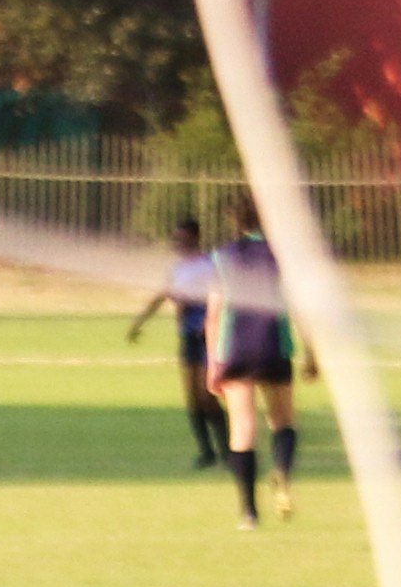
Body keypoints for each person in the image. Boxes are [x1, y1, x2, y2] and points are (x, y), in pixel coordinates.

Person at [211, 209, 303, 524]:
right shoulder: (283, 255)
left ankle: (249, 512)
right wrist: (312, 354)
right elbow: (298, 304)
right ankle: (281, 471)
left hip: (235, 348)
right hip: (274, 344)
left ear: (237, 222)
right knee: (283, 420)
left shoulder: (223, 257)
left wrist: (213, 363)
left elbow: (214, 312)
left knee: (242, 429)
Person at [125, 215, 225, 469]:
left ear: (195, 237)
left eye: (182, 237)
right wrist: (139, 323)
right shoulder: (177, 269)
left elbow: (219, 297)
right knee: (192, 397)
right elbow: (162, 296)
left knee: (207, 395)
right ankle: (206, 451)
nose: (177, 242)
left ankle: (227, 450)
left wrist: (206, 319)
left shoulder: (207, 264)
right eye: (175, 238)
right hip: (187, 336)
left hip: (206, 335)